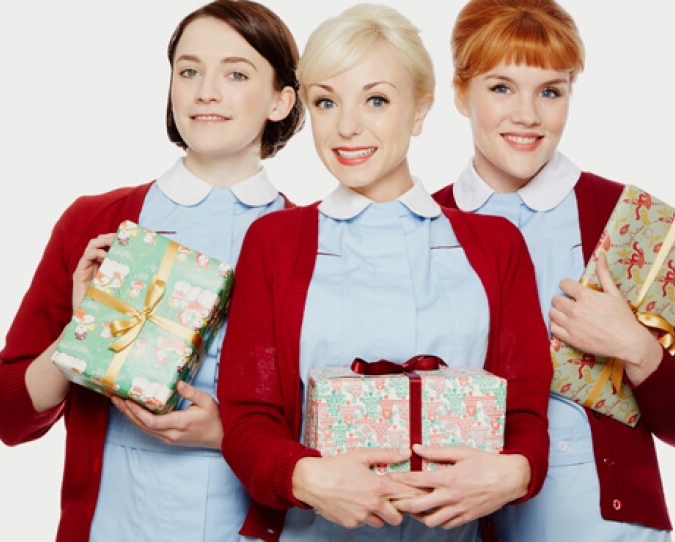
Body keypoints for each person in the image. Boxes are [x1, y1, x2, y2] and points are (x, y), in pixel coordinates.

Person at [217, 4, 551, 541]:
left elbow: (528, 412)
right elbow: (246, 419)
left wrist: (516, 472)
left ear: (420, 109)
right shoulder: (275, 242)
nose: (348, 127)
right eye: (327, 102)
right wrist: (305, 475)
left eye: (377, 100)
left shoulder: (496, 245)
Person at [0, 1, 302, 540]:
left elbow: (328, 435)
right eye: (189, 70)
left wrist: (227, 433)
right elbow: (8, 415)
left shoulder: (310, 243)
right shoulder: (97, 221)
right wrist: (84, 329)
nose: (206, 91)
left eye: (236, 73)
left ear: (280, 99)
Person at [432, 0, 675, 540]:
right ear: (459, 92)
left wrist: (636, 346)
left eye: (550, 91)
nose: (528, 115)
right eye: (501, 88)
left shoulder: (625, 222)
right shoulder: (420, 224)